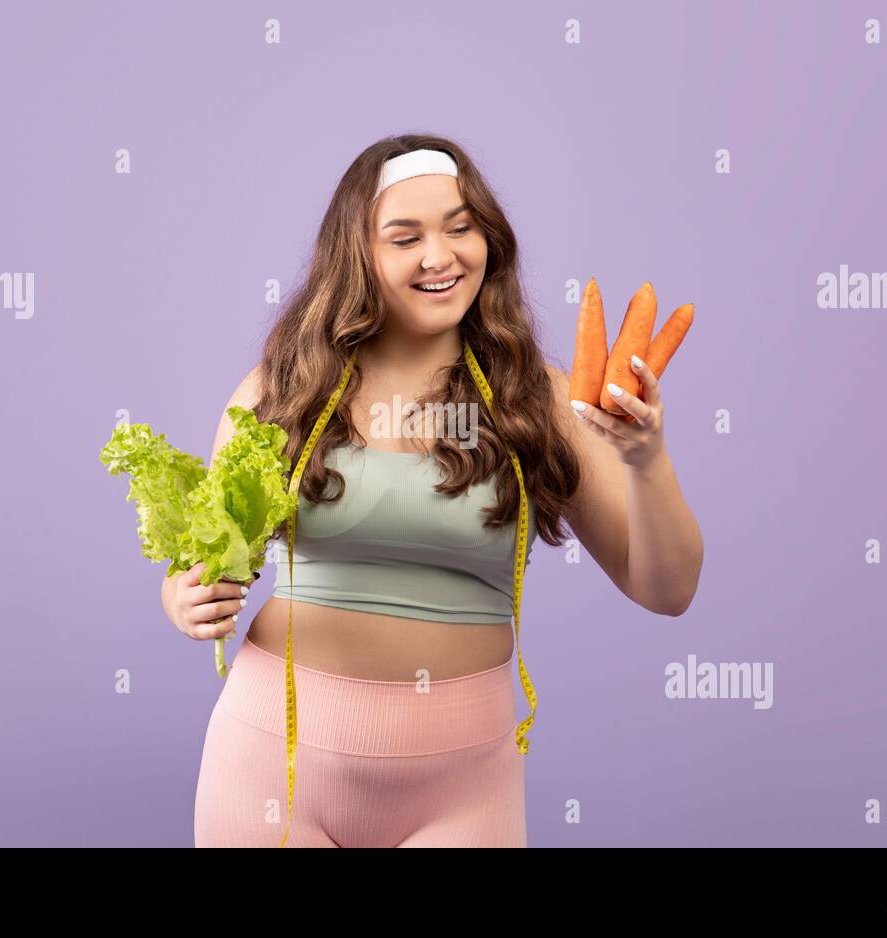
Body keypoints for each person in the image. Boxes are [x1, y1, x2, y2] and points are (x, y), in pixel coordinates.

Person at [164, 134, 704, 847]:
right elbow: (203, 558)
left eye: (460, 227)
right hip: (276, 763)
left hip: (464, 785)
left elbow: (666, 589)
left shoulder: (534, 398)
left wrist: (646, 459)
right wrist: (185, 596)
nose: (440, 256)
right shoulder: (287, 388)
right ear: (359, 255)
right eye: (405, 236)